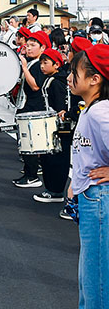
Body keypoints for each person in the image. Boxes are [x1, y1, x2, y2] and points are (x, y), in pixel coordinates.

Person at [67, 44, 109, 308]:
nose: (69, 77)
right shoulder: (91, 108)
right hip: (90, 196)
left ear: (95, 79)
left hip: (99, 200)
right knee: (88, 277)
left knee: (97, 283)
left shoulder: (100, 112)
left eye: (75, 72)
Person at [34, 48, 70, 204]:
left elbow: (61, 105)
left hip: (58, 126)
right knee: (49, 158)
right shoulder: (51, 79)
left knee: (56, 158)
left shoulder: (57, 82)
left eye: (45, 63)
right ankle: (51, 189)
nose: (42, 66)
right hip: (51, 124)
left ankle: (55, 191)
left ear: (56, 65)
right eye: (41, 63)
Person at [14, 31, 50, 188]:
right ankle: (29, 172)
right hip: (26, 105)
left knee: (29, 142)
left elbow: (35, 86)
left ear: (42, 48)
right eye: (27, 45)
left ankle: (32, 176)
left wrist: (23, 67)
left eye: (33, 46)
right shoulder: (31, 62)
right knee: (25, 142)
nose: (28, 49)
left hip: (33, 107)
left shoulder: (38, 65)